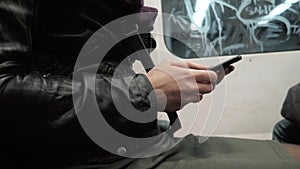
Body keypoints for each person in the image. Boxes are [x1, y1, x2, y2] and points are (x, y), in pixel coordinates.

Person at [0, 0, 299, 169]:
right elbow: (6, 89)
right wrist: (145, 92)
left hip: (129, 140)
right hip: (76, 155)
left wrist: (168, 86)